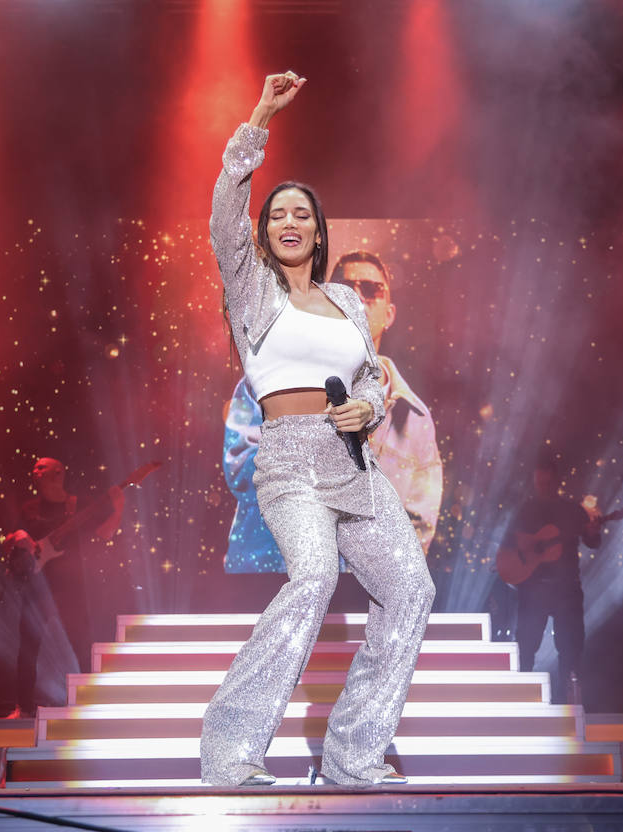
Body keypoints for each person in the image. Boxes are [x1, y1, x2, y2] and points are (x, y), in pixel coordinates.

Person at [200, 71, 435, 787]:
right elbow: (223, 216)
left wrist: (365, 408)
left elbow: (366, 378)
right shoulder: (253, 287)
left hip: (355, 467)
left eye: (301, 212)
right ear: (267, 233)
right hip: (292, 463)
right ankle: (231, 750)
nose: (288, 221)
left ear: (319, 229)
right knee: (313, 576)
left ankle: (354, 758)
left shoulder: (345, 301)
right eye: (278, 215)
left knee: (412, 591)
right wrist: (259, 120)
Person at [222, 249, 443, 571]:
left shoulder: (416, 417)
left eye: (371, 290)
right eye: (346, 287)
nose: (359, 298)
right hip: (274, 577)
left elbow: (420, 520)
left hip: (367, 590)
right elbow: (244, 473)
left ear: (390, 313)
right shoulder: (268, 375)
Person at [4, 457, 123, 717]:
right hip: (37, 586)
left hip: (70, 587)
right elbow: (9, 540)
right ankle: (23, 707)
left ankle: (90, 703)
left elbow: (106, 533)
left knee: (80, 644)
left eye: (41, 467)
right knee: (28, 646)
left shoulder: (77, 506)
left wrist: (119, 507)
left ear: (58, 473)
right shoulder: (29, 508)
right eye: (34, 467)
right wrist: (18, 536)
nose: (34, 471)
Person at [507, 458, 602, 705]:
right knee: (526, 647)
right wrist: (520, 562)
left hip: (566, 589)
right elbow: (509, 544)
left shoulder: (573, 511)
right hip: (533, 588)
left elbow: (593, 541)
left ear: (556, 481)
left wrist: (593, 533)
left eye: (547, 482)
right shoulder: (525, 509)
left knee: (570, 648)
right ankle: (521, 699)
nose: (543, 486)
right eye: (539, 482)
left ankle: (566, 702)